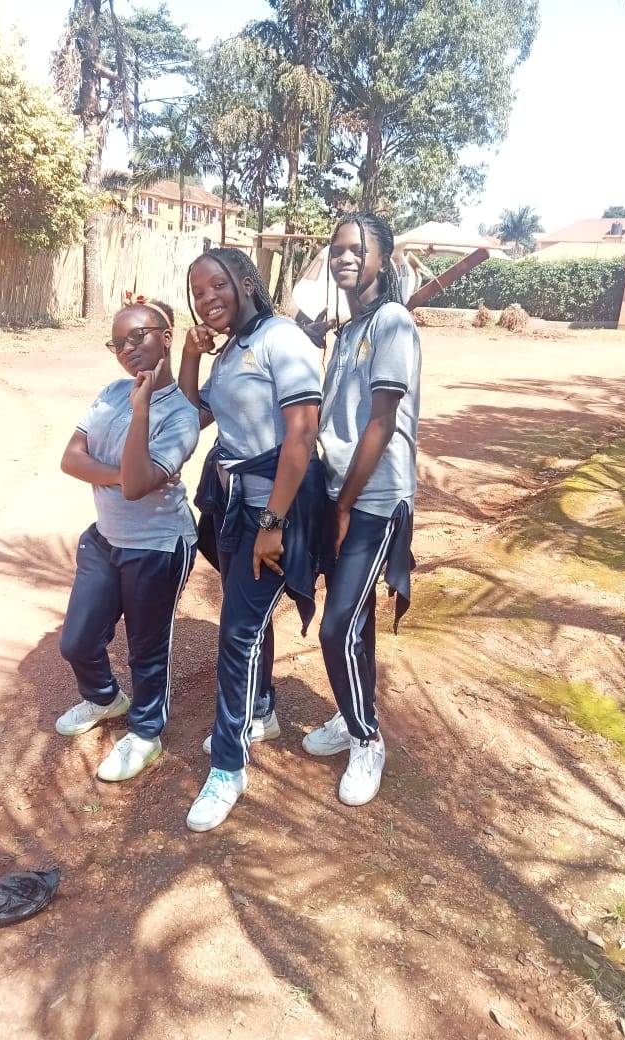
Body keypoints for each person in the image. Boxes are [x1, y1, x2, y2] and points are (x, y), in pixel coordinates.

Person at [179, 247, 324, 832]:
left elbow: (302, 434)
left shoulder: (280, 339)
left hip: (275, 509)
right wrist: (190, 355)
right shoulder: (232, 350)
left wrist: (273, 523)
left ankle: (228, 766)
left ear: (245, 281)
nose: (207, 298)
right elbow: (192, 415)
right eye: (198, 291)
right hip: (236, 505)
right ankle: (260, 709)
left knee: (237, 632)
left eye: (217, 284)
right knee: (246, 619)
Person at [302, 212, 421, 807]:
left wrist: (346, 503)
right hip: (339, 491)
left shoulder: (393, 322)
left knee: (336, 625)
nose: (344, 257)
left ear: (383, 258)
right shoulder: (350, 330)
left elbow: (381, 420)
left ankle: (368, 739)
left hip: (374, 498)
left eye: (357, 248)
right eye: (337, 248)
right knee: (357, 619)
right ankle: (353, 713)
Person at [55, 300, 199, 782]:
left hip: (157, 545)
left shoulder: (180, 416)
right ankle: (104, 698)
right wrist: (124, 474)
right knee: (77, 640)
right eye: (119, 344)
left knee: (146, 649)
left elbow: (138, 488)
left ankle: (145, 732)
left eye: (139, 337)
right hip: (106, 538)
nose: (128, 349)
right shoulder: (112, 391)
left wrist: (142, 410)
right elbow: (71, 460)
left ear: (167, 336)